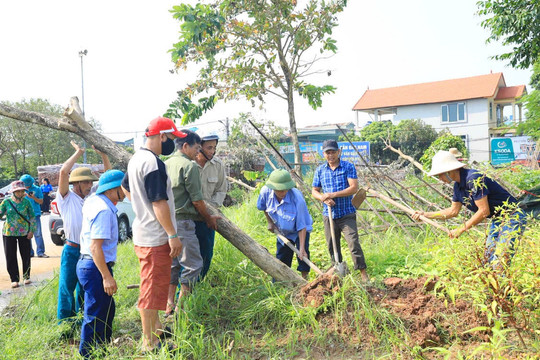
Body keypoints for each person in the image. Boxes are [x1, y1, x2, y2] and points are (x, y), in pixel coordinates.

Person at [122, 117, 184, 353]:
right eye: (171, 139)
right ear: (161, 136)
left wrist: (140, 208)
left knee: (153, 285)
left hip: (143, 232)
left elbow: (125, 186)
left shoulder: (136, 159)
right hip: (156, 237)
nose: (172, 145)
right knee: (150, 290)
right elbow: (159, 203)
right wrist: (172, 234)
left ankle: (157, 330)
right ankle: (150, 343)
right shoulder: (153, 164)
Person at [412, 150, 526, 264]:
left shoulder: (473, 178)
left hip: (512, 215)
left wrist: (461, 229)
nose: (440, 178)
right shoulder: (457, 187)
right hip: (498, 218)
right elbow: (453, 211)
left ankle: (503, 280)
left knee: (500, 259)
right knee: (488, 258)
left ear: (449, 171)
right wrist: (426, 215)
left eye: (440, 175)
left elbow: (484, 211)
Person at [56, 141, 110, 327]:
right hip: (71, 249)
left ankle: (81, 320)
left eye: (90, 181)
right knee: (66, 288)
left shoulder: (92, 197)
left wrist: (103, 154)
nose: (90, 184)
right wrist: (78, 153)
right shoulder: (66, 198)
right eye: (86, 182)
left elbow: (108, 178)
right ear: (76, 184)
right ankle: (64, 324)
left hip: (87, 251)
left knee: (84, 289)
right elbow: (63, 172)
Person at [165, 130, 219, 314]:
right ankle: (182, 309)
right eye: (197, 148)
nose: (198, 152)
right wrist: (208, 218)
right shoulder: (190, 166)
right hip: (185, 222)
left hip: (168, 222)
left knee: (174, 264)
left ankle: (169, 304)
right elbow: (197, 200)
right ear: (185, 145)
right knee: (194, 264)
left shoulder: (166, 163)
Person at [77, 169, 125, 359]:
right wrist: (106, 276)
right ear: (113, 189)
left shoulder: (94, 201)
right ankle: (88, 354)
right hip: (95, 267)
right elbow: (96, 247)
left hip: (89, 265)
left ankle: (101, 350)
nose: (126, 191)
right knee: (96, 313)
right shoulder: (104, 210)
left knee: (105, 310)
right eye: (123, 187)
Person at [312, 139, 369, 282]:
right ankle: (339, 273)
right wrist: (323, 198)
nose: (330, 155)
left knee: (353, 242)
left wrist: (333, 194)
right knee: (332, 245)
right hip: (329, 215)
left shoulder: (347, 167)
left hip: (346, 213)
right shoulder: (320, 170)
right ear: (323, 154)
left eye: (333, 152)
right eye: (327, 153)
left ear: (338, 152)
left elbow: (353, 188)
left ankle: (363, 274)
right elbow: (314, 191)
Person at [257, 169, 313, 280]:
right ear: (273, 188)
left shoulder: (297, 198)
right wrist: (270, 222)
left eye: (285, 190)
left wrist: (301, 248)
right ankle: (280, 283)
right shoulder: (265, 192)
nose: (283, 193)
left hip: (300, 231)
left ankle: (304, 281)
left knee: (303, 256)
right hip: (282, 231)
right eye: (280, 190)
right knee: (282, 257)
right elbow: (263, 207)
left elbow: (302, 225)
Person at [194, 134, 228, 280]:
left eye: (214, 148)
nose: (212, 151)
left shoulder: (218, 165)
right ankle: (181, 294)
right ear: (199, 146)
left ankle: (197, 287)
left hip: (208, 219)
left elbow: (221, 190)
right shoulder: (189, 164)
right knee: (188, 257)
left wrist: (209, 209)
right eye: (209, 147)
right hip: (188, 219)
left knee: (206, 254)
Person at [0, 180, 36, 288]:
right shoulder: (6, 202)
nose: (20, 193)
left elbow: (32, 217)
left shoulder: (27, 202)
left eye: (22, 191)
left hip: (24, 232)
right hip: (9, 233)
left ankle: (26, 276)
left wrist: (32, 230)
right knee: (10, 256)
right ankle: (14, 279)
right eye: (18, 191)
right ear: (13, 192)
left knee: (25, 255)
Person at [20, 174, 48, 258]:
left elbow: (41, 202)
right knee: (27, 234)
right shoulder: (21, 190)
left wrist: (33, 197)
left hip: (35, 214)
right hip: (24, 215)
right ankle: (30, 252)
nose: (26, 187)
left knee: (38, 233)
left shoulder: (37, 189)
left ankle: (40, 252)